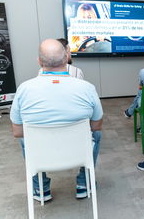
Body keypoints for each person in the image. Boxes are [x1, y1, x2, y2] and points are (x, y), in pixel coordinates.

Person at [10, 39, 103, 202]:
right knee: (98, 135)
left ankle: (40, 187)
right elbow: (96, 125)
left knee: (24, 139)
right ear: (67, 57)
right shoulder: (87, 88)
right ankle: (84, 182)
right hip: (77, 152)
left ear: (39, 61)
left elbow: (17, 132)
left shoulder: (24, 89)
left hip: (41, 153)